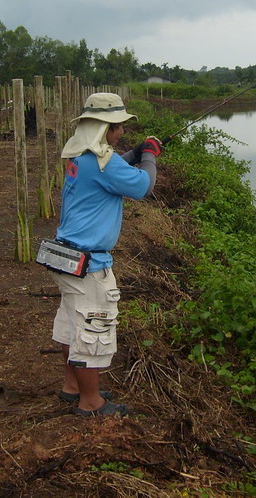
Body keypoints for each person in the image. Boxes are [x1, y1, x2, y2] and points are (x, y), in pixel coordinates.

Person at [49, 92, 161, 416]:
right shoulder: (103, 162)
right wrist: (149, 155)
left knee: (72, 324)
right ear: (102, 129)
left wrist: (133, 153)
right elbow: (144, 186)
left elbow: (109, 167)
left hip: (65, 256)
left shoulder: (80, 157)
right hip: (89, 264)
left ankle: (73, 387)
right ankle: (91, 402)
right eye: (116, 127)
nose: (121, 132)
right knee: (92, 327)